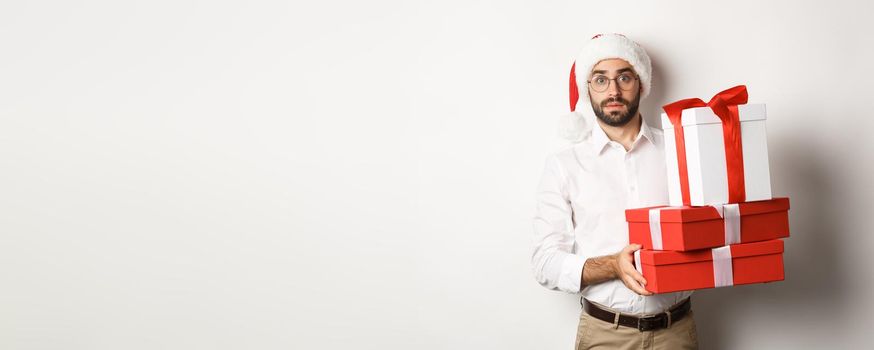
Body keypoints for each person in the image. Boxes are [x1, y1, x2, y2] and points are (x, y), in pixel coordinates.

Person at [531, 34, 698, 349]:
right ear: (588, 88)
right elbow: (545, 262)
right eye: (600, 80)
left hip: (676, 332)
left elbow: (708, 227)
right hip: (605, 334)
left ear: (641, 84)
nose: (613, 91)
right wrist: (612, 265)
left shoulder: (681, 152)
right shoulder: (564, 165)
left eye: (624, 77)